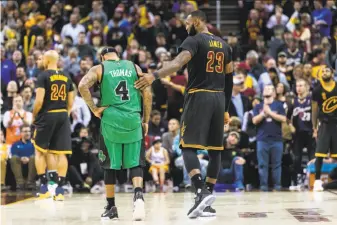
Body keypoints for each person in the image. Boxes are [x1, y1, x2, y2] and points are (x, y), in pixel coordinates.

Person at [135, 10, 233, 218]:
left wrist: (154, 75)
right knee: (215, 150)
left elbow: (177, 64)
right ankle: (206, 201)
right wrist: (226, 108)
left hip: (199, 97)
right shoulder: (224, 45)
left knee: (187, 145)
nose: (185, 27)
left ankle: (200, 191)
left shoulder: (194, 40)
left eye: (188, 23)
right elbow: (230, 79)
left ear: (197, 22)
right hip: (219, 98)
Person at [78, 47, 152, 221]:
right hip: (133, 118)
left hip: (111, 119)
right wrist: (146, 120)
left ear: (103, 57)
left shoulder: (99, 68)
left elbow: (82, 86)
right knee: (135, 162)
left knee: (109, 164)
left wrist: (94, 109)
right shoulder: (134, 67)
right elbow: (147, 94)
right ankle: (139, 196)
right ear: (118, 56)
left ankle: (111, 207)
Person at [32, 50, 74, 201]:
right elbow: (70, 102)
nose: (40, 60)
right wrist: (65, 114)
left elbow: (38, 102)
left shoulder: (43, 76)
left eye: (42, 57)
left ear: (48, 60)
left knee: (39, 151)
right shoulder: (67, 76)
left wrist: (34, 115)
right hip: (62, 114)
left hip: (47, 114)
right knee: (60, 153)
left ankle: (44, 188)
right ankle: (60, 190)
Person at [252, 85, 286, 191]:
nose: (266, 90)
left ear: (274, 93)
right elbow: (254, 121)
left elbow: (283, 118)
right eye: (265, 88)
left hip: (277, 139)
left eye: (270, 88)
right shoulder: (258, 106)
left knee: (277, 164)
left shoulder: (279, 105)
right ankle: (263, 186)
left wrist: (270, 112)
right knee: (262, 164)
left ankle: (277, 186)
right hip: (262, 139)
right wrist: (263, 113)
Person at [312, 67, 337, 191]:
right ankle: (317, 180)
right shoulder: (317, 90)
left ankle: (333, 176)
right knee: (319, 154)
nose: (324, 73)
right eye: (322, 71)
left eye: (327, 71)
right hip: (324, 124)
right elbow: (314, 110)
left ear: (332, 73)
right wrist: (314, 127)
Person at [288, 79, 315, 190]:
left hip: (310, 133)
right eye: (297, 85)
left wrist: (316, 129)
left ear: (307, 87)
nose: (299, 88)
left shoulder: (312, 100)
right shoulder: (293, 102)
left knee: (312, 158)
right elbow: (287, 117)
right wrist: (290, 126)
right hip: (298, 134)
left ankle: (313, 180)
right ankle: (296, 180)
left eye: (301, 85)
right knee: (297, 159)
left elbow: (317, 116)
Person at [10, 125, 36, 190]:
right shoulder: (15, 144)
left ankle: (30, 183)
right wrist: (21, 158)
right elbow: (14, 155)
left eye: (29, 131)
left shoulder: (34, 144)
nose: (27, 133)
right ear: (21, 133)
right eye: (25, 131)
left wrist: (28, 159)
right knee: (14, 158)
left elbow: (36, 155)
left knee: (34, 158)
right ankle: (20, 183)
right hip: (19, 165)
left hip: (32, 164)